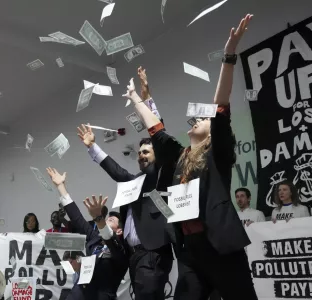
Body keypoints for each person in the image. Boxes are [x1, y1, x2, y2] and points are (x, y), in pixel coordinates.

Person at [122, 14, 257, 300]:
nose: (197, 119)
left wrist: (229, 54)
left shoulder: (216, 155)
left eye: (204, 119)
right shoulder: (179, 156)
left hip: (219, 246)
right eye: (196, 118)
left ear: (212, 132)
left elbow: (220, 104)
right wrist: (135, 98)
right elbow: (155, 128)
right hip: (190, 252)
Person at [76, 67, 173, 300]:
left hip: (153, 253)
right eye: (139, 152)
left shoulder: (159, 177)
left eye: (146, 151)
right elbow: (117, 171)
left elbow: (160, 138)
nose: (141, 155)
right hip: (135, 257)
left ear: (156, 155)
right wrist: (92, 147)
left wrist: (145, 98)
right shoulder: (134, 182)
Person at [46, 167, 128, 300]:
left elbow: (110, 239)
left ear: (119, 230)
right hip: (78, 294)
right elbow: (77, 217)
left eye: (111, 220)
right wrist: (61, 187)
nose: (107, 220)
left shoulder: (122, 249)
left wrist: (99, 219)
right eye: (107, 218)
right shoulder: (94, 238)